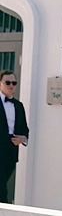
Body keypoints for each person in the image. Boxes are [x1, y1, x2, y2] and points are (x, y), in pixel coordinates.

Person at [0, 69, 28, 203]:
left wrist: (23, 139)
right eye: (7, 82)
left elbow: (25, 129)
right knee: (2, 190)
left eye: (14, 83)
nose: (11, 86)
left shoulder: (18, 105)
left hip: (11, 152)